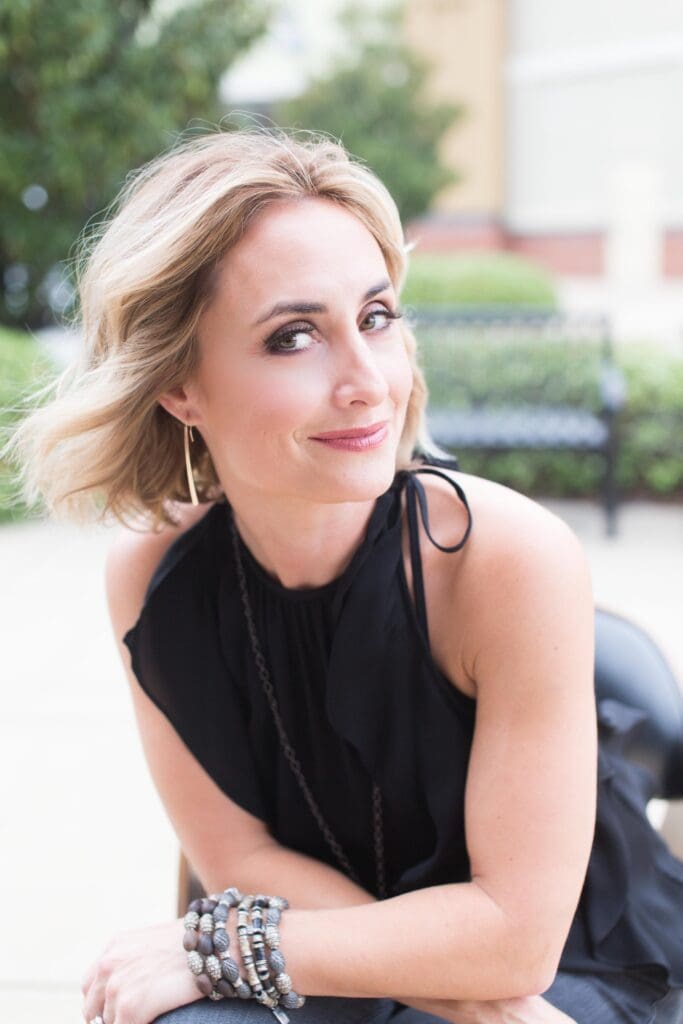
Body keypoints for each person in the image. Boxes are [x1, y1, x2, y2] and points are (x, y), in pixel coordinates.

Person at [6, 127, 683, 1024]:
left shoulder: (506, 557)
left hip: (576, 968)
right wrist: (472, 1003)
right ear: (179, 386)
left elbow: (515, 936)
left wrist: (223, 944)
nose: (368, 380)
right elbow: (240, 859)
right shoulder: (154, 575)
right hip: (373, 966)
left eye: (375, 318)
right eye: (293, 337)